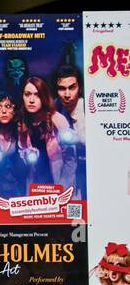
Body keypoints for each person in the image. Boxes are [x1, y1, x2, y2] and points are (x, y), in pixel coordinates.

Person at [20, 76, 75, 189]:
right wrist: (25, 155)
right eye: (27, 94)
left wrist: (62, 187)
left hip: (59, 182)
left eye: (37, 95)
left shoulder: (58, 120)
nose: (31, 100)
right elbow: (22, 152)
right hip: (34, 185)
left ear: (44, 97)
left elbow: (71, 160)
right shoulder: (22, 122)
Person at [53, 65, 86, 199]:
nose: (67, 94)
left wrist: (78, 140)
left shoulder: (89, 107)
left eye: (72, 87)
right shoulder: (56, 108)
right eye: (62, 89)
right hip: (67, 177)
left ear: (80, 88)